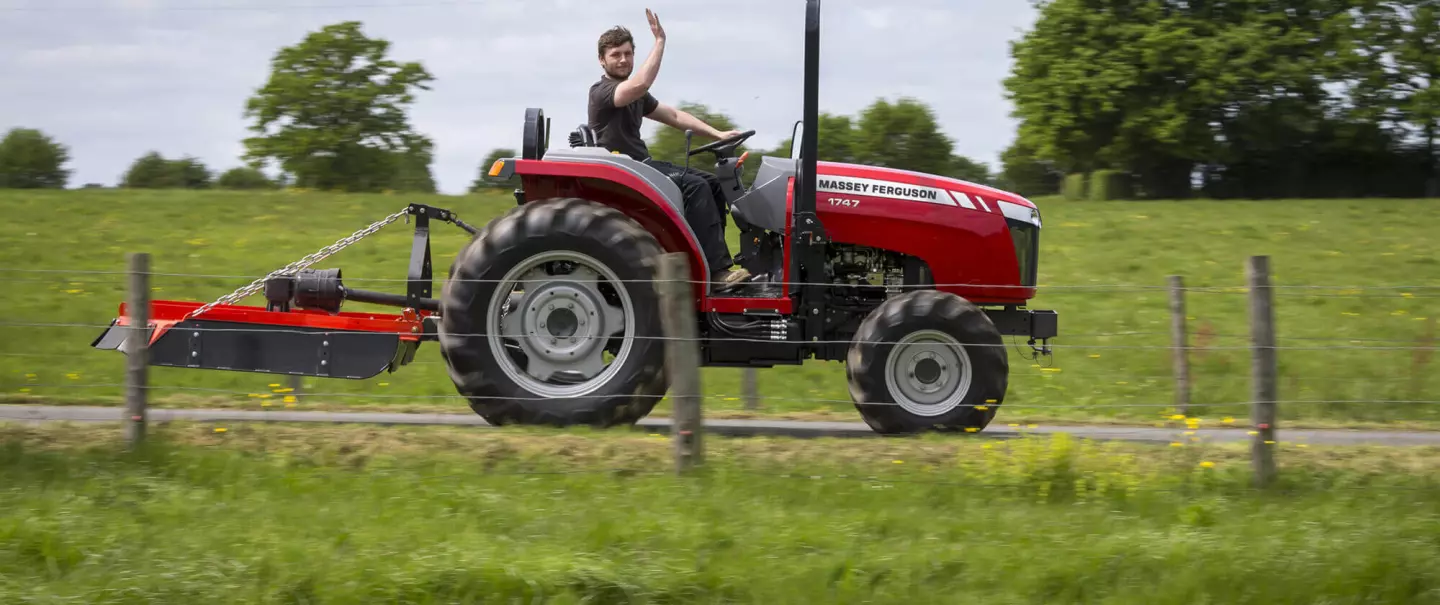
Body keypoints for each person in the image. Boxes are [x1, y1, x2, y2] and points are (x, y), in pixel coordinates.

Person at [587, 9, 750, 290]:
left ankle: (714, 259)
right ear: (602, 60)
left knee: (711, 184)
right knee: (694, 186)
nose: (623, 59)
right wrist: (660, 41)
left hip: (641, 164)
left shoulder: (637, 95)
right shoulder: (603, 92)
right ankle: (716, 272)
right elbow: (641, 83)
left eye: (627, 53)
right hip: (622, 169)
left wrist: (718, 134)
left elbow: (673, 116)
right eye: (616, 55)